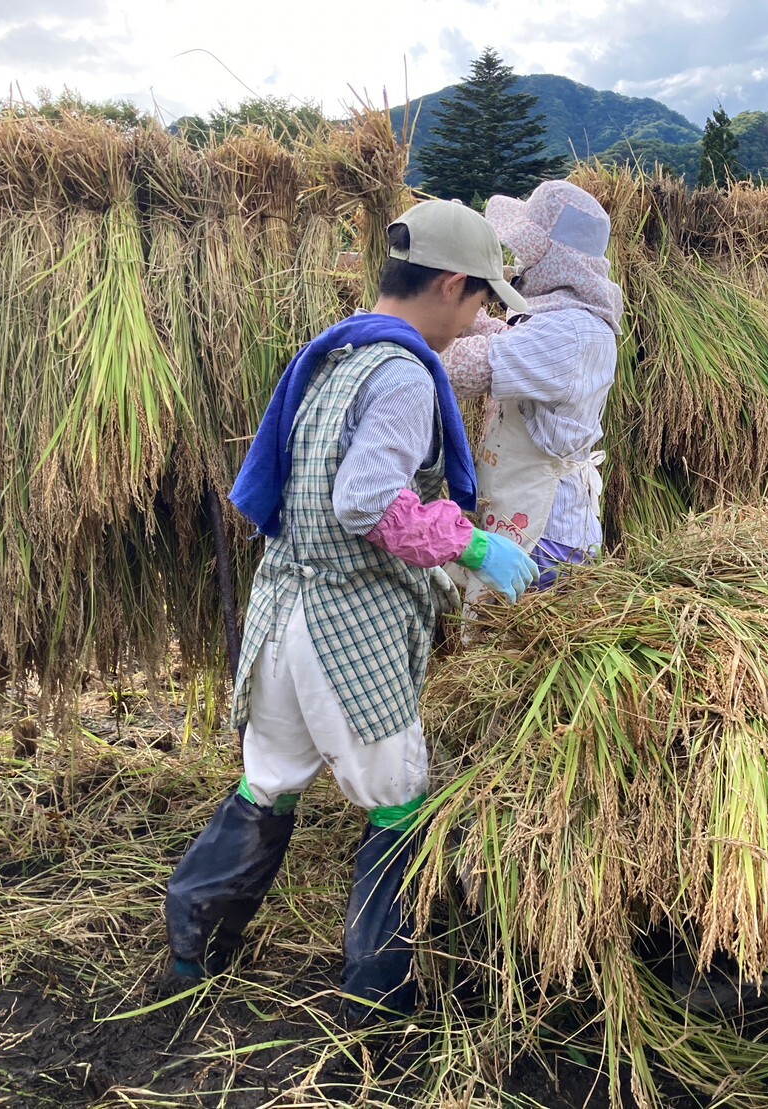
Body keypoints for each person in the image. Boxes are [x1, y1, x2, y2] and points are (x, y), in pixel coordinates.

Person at [163, 199, 537, 1024]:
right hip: (348, 634)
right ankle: (379, 999)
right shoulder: (403, 374)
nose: (477, 319)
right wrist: (472, 546)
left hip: (280, 619)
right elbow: (367, 499)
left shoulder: (337, 354)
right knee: (399, 800)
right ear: (448, 284)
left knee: (267, 784)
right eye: (480, 301)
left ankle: (191, 953)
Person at [443, 180, 624, 591]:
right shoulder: (562, 320)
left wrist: (399, 332)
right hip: (522, 515)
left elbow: (471, 367)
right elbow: (505, 337)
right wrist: (464, 306)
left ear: (554, 260)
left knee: (516, 649)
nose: (520, 263)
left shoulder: (573, 331)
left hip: (545, 535)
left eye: (528, 253)